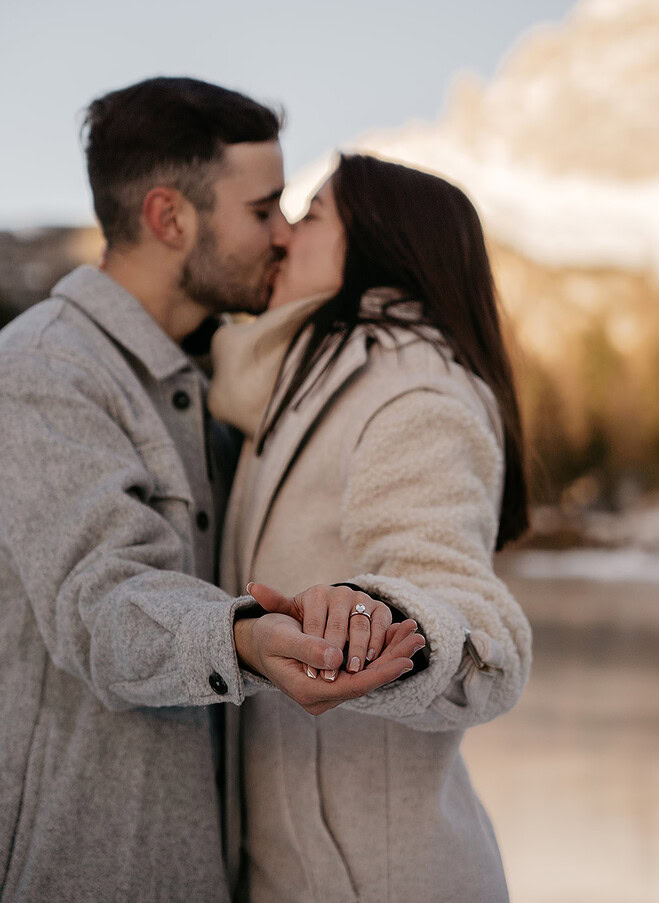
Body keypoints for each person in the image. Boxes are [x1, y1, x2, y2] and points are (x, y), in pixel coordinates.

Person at [0, 81, 417, 903]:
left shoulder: (202, 389)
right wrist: (245, 637)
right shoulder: (42, 373)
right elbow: (100, 601)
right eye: (264, 210)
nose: (284, 235)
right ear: (170, 218)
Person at [208, 154, 533, 902]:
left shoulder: (411, 392)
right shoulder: (300, 385)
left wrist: (385, 619)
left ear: (381, 245)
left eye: (313, 213)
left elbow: (476, 621)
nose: (284, 234)